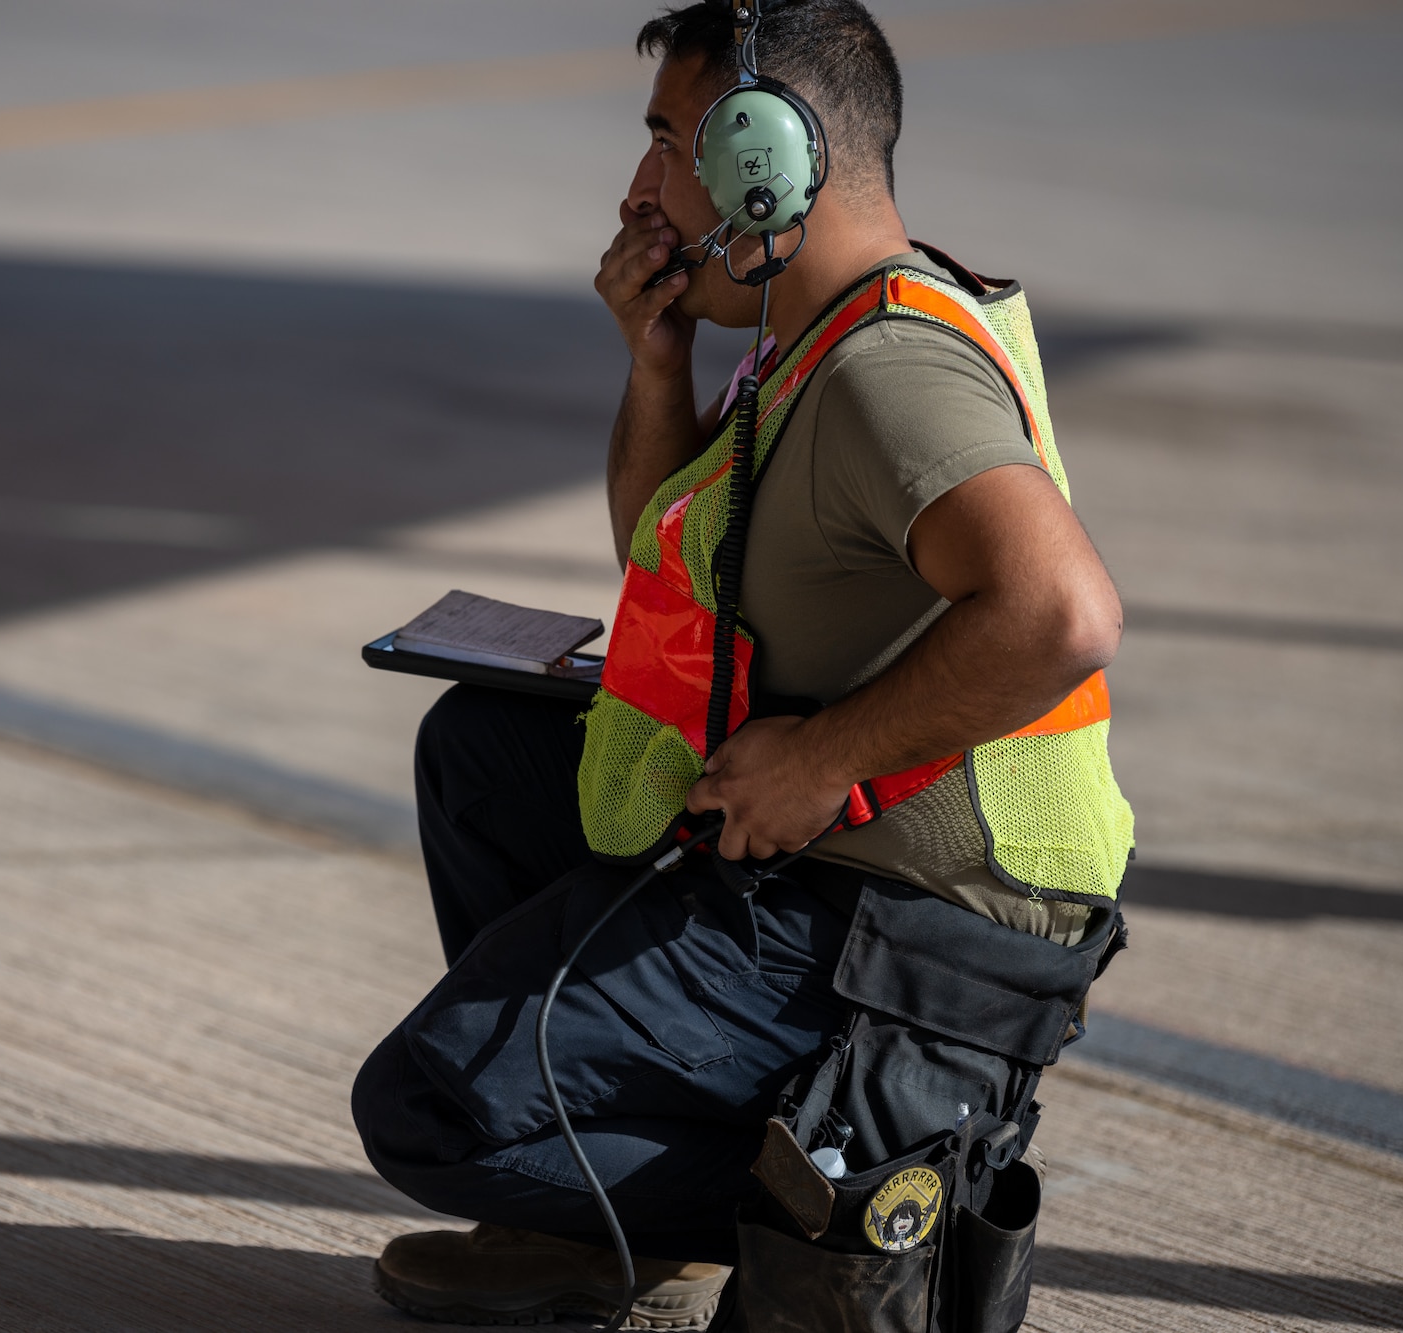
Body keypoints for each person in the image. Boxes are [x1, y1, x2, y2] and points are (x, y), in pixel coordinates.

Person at [352, 2, 1133, 1328]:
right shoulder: (804, 343)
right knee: (484, 753)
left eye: (668, 143)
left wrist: (825, 758)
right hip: (823, 877)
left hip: (915, 939)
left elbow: (1061, 609)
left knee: (426, 1104)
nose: (639, 188)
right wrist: (660, 364)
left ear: (765, 157)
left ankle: (844, 1196)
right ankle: (623, 1216)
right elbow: (673, 580)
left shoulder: (894, 370)